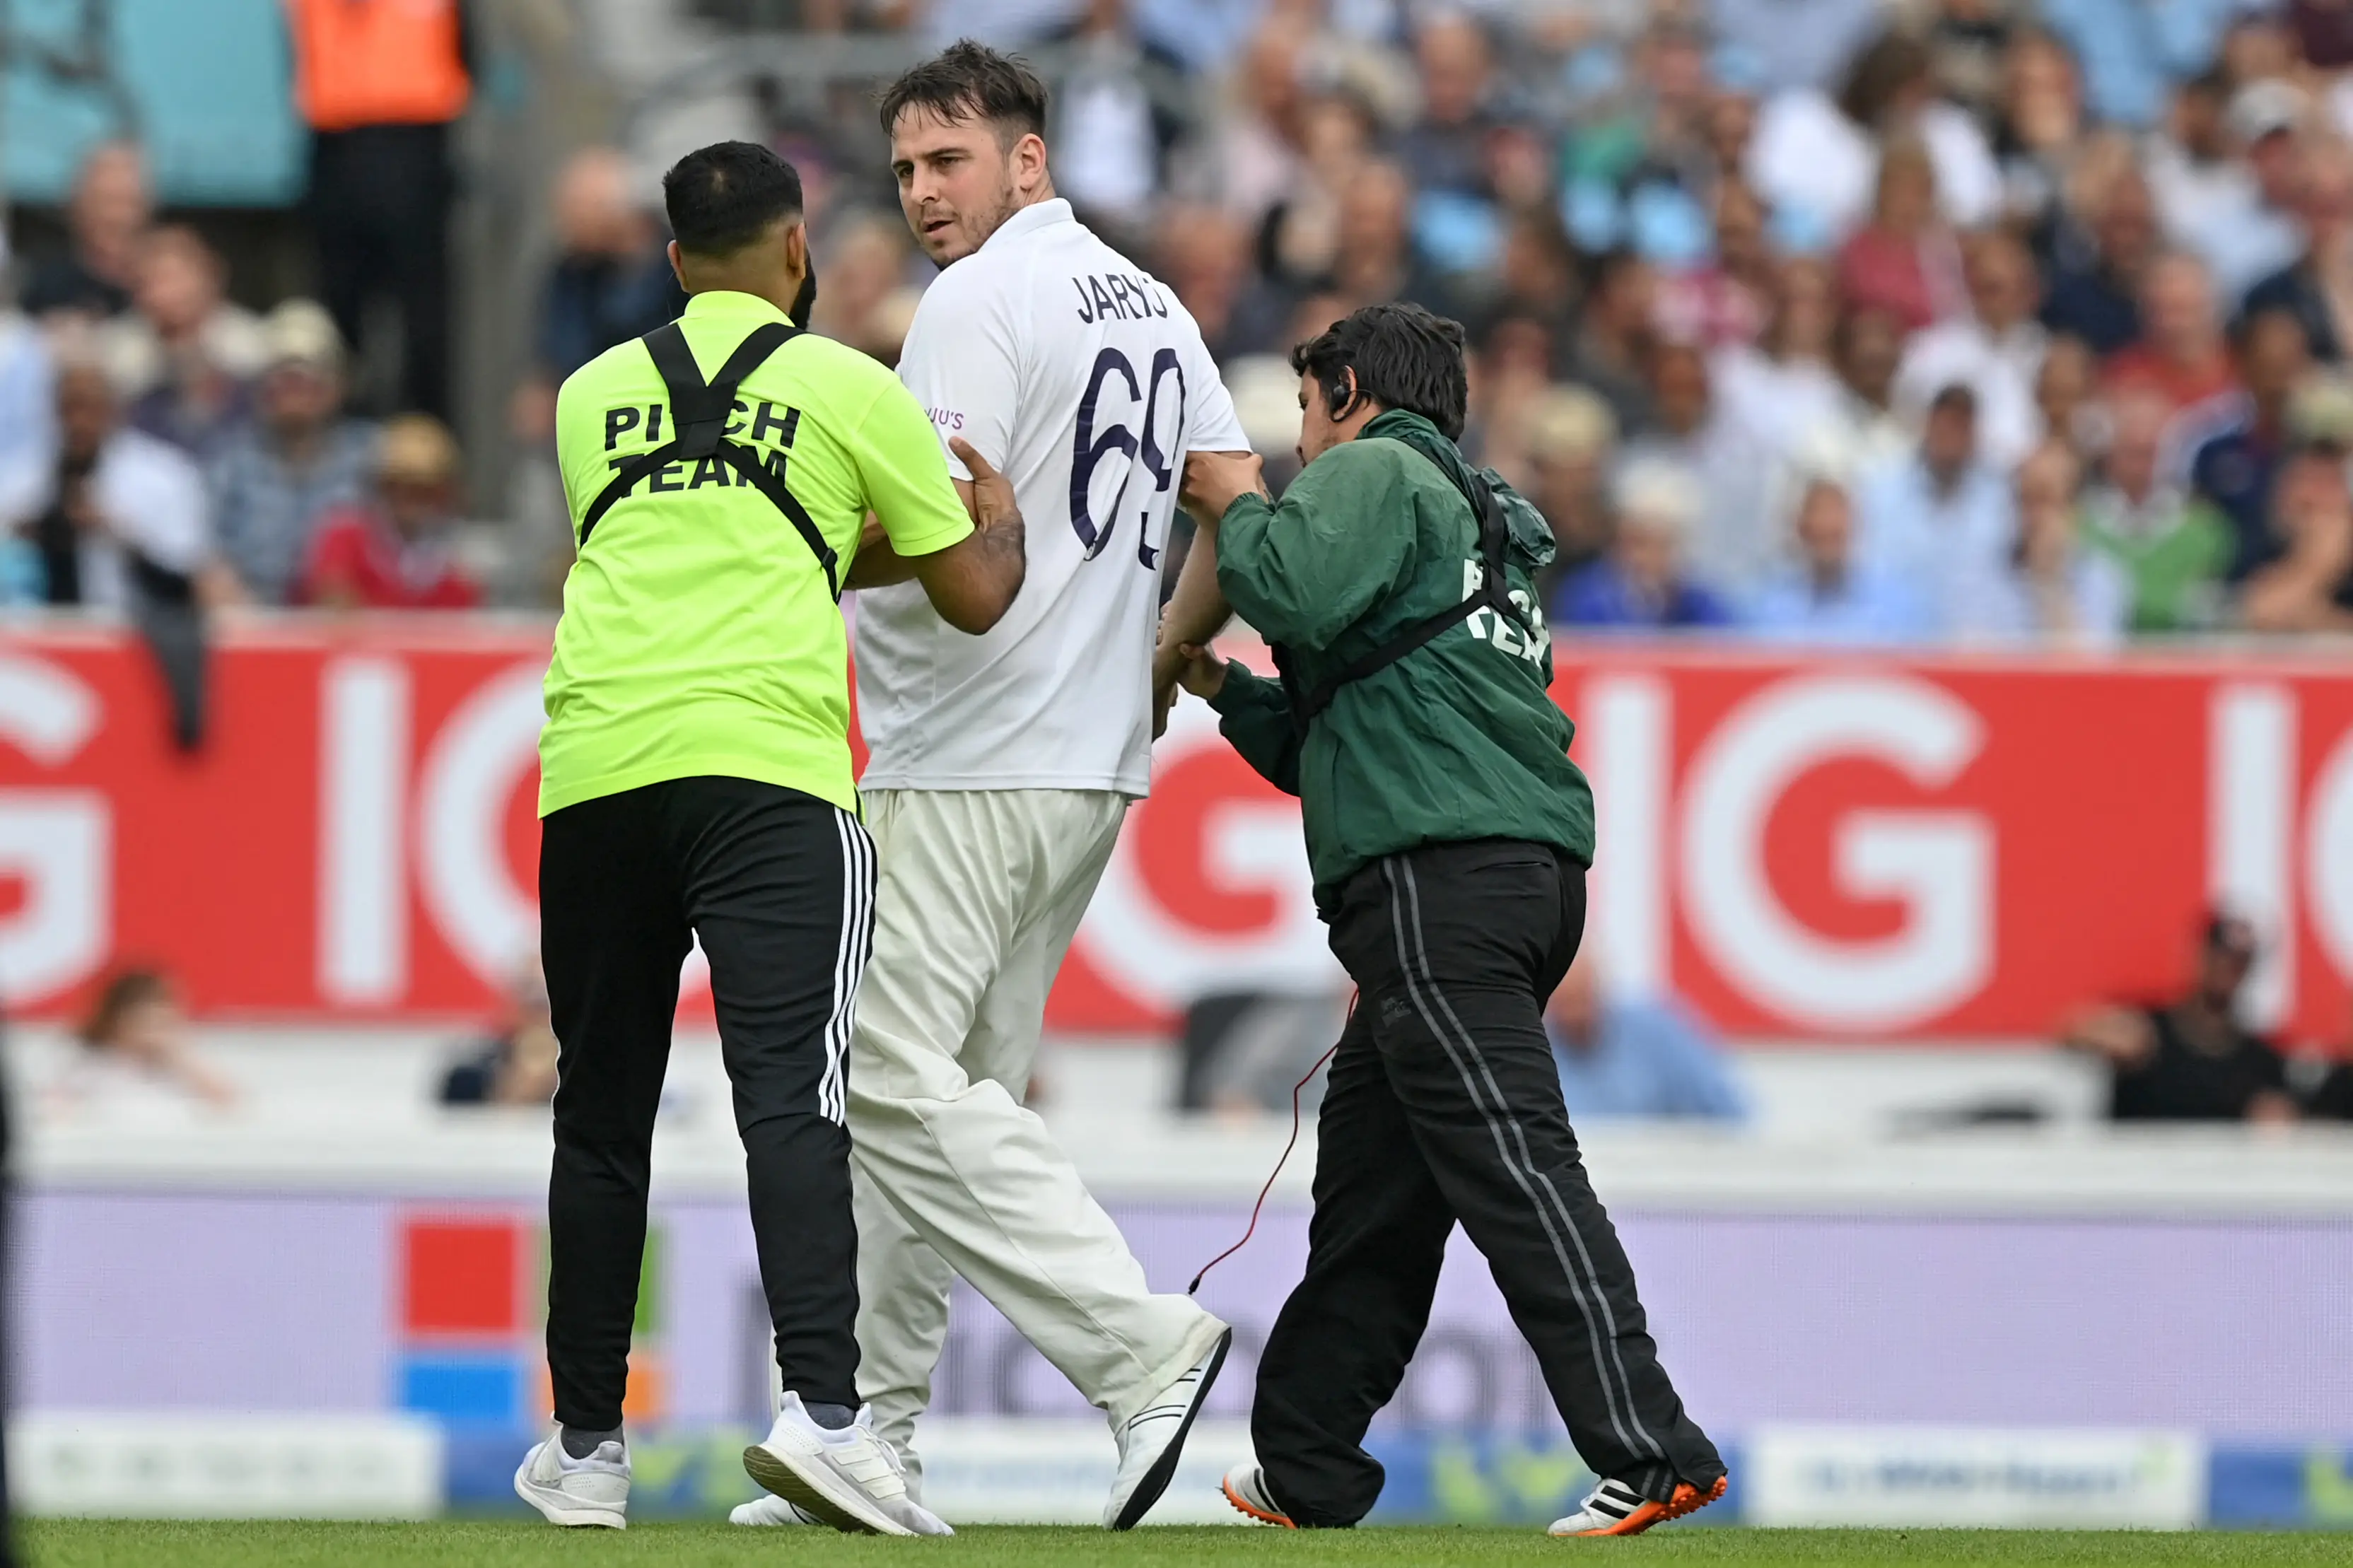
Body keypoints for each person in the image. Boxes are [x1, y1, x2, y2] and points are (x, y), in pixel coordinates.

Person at [733, 44, 1237, 1536]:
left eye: (948, 161)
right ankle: (867, 1437)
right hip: (1088, 765)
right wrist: (1163, 641)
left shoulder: (970, 302)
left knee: (879, 1079)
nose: (923, 194)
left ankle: (1140, 1346)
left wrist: (794, 538)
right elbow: (1238, 499)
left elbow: (944, 524)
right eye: (902, 171)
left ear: (1029, 160)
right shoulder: (1154, 302)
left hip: (962, 754)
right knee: (941, 1103)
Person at [515, 139, 1023, 1537]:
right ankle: (828, 1418)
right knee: (789, 1099)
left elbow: (712, 521)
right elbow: (968, 593)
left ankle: (585, 1451)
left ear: (671, 260)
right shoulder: (851, 383)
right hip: (765, 774)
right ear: (798, 254)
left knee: (599, 1115)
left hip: (598, 770)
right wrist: (992, 518)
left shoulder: (588, 395)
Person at [1171, 301, 1727, 1538]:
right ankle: (1305, 1465)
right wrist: (1212, 683)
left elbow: (1281, 584)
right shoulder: (1475, 514)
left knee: (1517, 1167)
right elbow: (1336, 729)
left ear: (1351, 390)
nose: (1304, 445)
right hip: (1499, 877)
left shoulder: (1372, 469)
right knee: (1373, 1193)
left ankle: (1652, 1448)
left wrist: (1233, 495)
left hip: (1435, 881)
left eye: (1307, 413)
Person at [284, 0, 471, 416]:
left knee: (424, 319)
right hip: (338, 148)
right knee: (339, 315)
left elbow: (467, 51)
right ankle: (340, 431)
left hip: (415, 148)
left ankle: (426, 434)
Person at [14, 353, 212, 612]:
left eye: (89, 407)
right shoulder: (26, 473)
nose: (78, 422)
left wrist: (115, 533)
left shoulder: (164, 475)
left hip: (134, 629)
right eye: (68, 408)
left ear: (114, 408)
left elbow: (188, 571)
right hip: (44, 628)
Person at [209, 301, 376, 605]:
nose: (295, 390)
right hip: (254, 625)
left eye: (308, 377)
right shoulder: (231, 462)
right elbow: (207, 555)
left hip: (350, 628)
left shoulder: (372, 456)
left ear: (337, 385)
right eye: (283, 377)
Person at [2064, 912, 2297, 1122]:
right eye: (2220, 955)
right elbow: (2069, 1032)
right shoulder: (2148, 1032)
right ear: (2199, 954)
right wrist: (2102, 1035)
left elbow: (2287, 1116)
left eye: (2240, 960)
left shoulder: (2259, 1062)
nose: (2228, 967)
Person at [294, 415, 481, 610]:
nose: (411, 500)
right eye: (397, 485)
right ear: (380, 485)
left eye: (426, 489)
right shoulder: (344, 537)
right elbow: (331, 605)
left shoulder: (459, 562)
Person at [1546, 954, 1747, 1123]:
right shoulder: (1533, 1047)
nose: (1575, 1014)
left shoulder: (1657, 1034)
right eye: (1565, 1003)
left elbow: (1730, 1111)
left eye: (1581, 999)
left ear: (1598, 988)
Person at [1745, 473, 1933, 644]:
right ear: (1801, 527)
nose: (1827, 525)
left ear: (1854, 525)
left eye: (1836, 515)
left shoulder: (1896, 606)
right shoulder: (1770, 607)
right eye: (1818, 513)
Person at [1551, 457, 1736, 631]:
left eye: (1662, 545)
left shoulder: (1703, 604)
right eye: (1639, 542)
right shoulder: (1583, 597)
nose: (1647, 557)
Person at [45, 969, 236, 1115]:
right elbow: (57, 1108)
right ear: (118, 1021)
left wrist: (178, 1057)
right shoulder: (92, 1066)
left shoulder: (181, 1068)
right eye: (144, 1022)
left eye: (162, 1023)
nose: (152, 1032)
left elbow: (229, 1102)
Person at [21, 143, 151, 321]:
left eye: (124, 202)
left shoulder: (166, 281)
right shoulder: (49, 285)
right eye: (102, 202)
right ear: (77, 208)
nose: (113, 217)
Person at [440, 957, 559, 1107]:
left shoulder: (584, 1081)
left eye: (546, 1001)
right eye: (532, 1000)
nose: (539, 1016)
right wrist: (506, 1089)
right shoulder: (466, 1079)